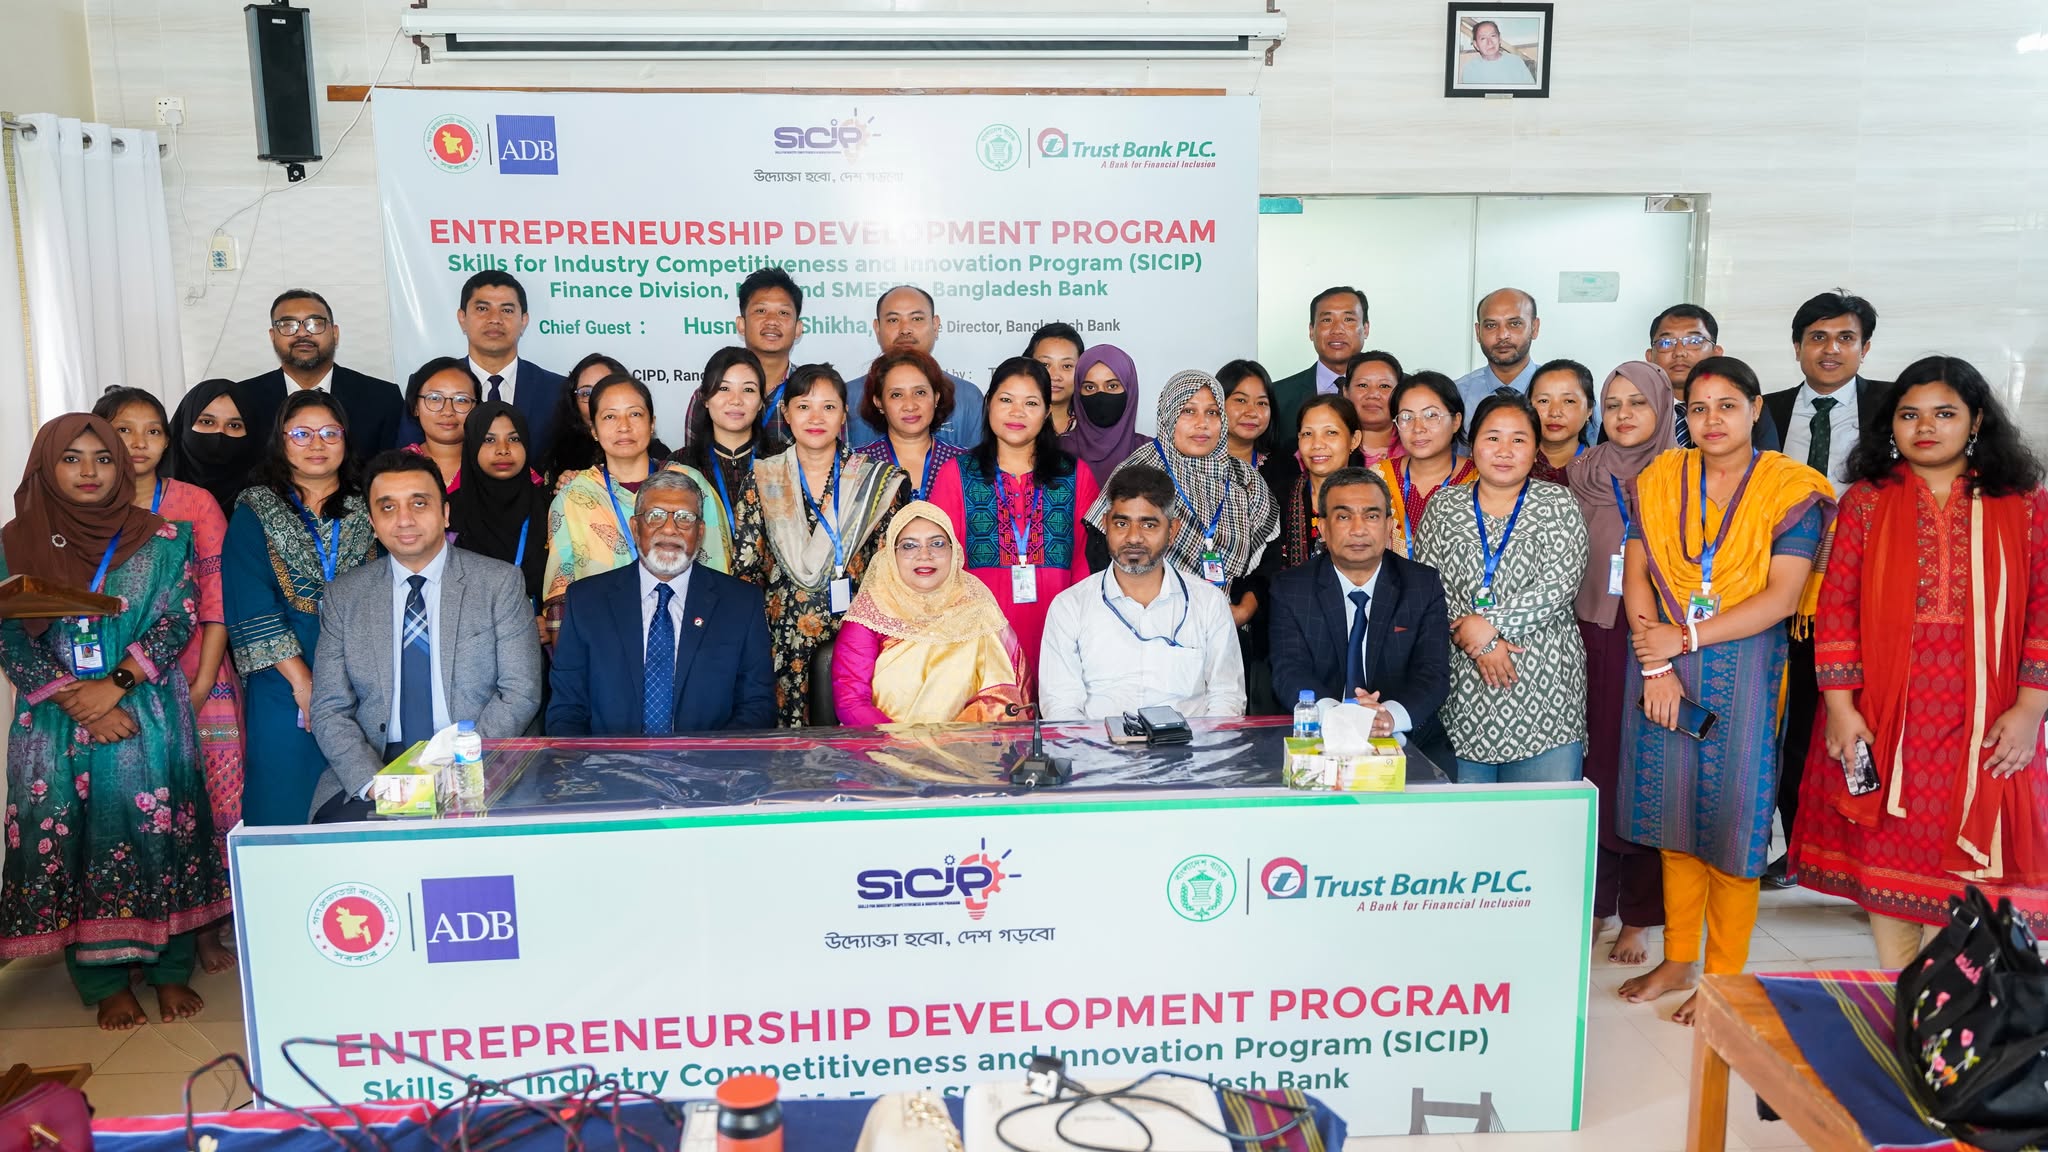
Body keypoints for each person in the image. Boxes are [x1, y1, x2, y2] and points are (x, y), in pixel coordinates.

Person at [1789, 357, 2048, 965]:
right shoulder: (1866, 503)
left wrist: (2031, 708)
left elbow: (2043, 607)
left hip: (1989, 717)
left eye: (1944, 414)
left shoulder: (2025, 505)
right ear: (1891, 426)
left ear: (1976, 421)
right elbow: (1837, 610)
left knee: (1968, 879)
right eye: (1909, 415)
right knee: (1886, 860)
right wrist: (1840, 709)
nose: (1925, 427)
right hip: (1883, 715)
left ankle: (1939, 1006)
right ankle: (1901, 998)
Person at [1614, 355, 1834, 1026]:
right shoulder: (1662, 477)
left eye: (1727, 406)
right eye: (1699, 408)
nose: (1712, 420)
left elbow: (1783, 597)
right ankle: (1679, 958)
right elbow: (1637, 573)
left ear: (1755, 408)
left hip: (1745, 671)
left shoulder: (1790, 489)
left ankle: (1724, 978)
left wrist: (1682, 640)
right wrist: (1656, 666)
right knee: (1672, 818)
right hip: (1661, 664)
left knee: (1734, 827)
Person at [0, 414, 230, 1029]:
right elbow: (10, 637)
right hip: (57, 722)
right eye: (71, 458)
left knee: (163, 830)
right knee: (72, 839)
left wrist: (115, 686)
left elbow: (178, 618)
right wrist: (76, 699)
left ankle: (169, 970)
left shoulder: (163, 537)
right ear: (45, 466)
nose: (89, 471)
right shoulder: (14, 543)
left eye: (103, 459)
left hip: (146, 709)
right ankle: (102, 983)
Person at [93, 388, 243, 974]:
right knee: (131, 802)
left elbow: (217, 598)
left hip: (199, 673)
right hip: (112, 682)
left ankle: (205, 927)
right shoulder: (81, 504)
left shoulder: (192, 501)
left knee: (212, 802)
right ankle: (132, 932)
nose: (139, 443)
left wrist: (203, 682)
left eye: (153, 430)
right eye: (123, 430)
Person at [308, 452, 544, 820]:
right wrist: (375, 784)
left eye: (419, 503)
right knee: (341, 835)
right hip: (379, 764)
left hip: (478, 761)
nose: (404, 519)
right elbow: (328, 709)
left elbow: (520, 692)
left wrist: (458, 768)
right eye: (388, 507)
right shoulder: (346, 596)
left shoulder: (499, 583)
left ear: (445, 513)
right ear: (372, 522)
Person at [1761, 290, 1883, 888]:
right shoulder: (1767, 411)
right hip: (1783, 597)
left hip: (1866, 598)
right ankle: (1799, 850)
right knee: (1792, 725)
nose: (1830, 349)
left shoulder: (1891, 409)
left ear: (1865, 347)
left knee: (1862, 721)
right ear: (1797, 347)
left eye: (1845, 338)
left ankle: (1869, 853)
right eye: (1817, 337)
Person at [222, 391, 378, 826]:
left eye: (330, 433)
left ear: (345, 439)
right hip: (283, 680)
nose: (317, 444)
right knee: (285, 797)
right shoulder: (256, 509)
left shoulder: (371, 503)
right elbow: (250, 602)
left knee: (362, 799)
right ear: (281, 440)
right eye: (302, 434)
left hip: (363, 674)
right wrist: (303, 683)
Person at [1566, 362, 1677, 965]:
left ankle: (1640, 916)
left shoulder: (1682, 476)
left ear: (1663, 407)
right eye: (1613, 404)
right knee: (1596, 769)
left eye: (1638, 402)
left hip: (1655, 641)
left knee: (1645, 774)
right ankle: (1595, 902)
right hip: (1587, 635)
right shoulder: (1580, 473)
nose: (1625, 414)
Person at [1418, 391, 1589, 783]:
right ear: (1472, 443)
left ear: (1536, 447)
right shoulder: (1443, 506)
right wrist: (1483, 643)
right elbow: (1429, 588)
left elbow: (1560, 583)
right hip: (1464, 692)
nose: (1505, 450)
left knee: (1543, 818)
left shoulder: (1559, 504)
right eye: (1493, 437)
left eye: (1519, 439)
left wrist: (1489, 625)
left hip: (1546, 693)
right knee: (1465, 818)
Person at [733, 364, 907, 726]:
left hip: (857, 638)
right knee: (787, 748)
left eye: (828, 407)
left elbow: (890, 570)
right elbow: (747, 572)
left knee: (851, 743)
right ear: (786, 413)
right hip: (779, 640)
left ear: (844, 414)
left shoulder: (874, 481)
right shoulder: (763, 478)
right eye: (803, 406)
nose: (816, 418)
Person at [549, 471, 775, 735]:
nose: (669, 529)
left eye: (684, 518)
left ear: (700, 532)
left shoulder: (741, 604)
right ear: (635, 528)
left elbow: (756, 706)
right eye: (655, 515)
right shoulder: (587, 601)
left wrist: (710, 757)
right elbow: (567, 709)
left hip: (709, 759)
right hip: (607, 760)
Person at [927, 357, 1097, 695]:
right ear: (989, 404)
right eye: (1006, 400)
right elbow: (940, 568)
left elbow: (1084, 566)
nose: (1017, 412)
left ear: (1047, 412)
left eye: (1031, 403)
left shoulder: (1075, 475)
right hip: (979, 639)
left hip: (1060, 638)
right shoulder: (956, 474)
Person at [1268, 466, 1454, 770]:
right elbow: (1289, 670)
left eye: (1371, 516)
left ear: (1388, 526)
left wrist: (1387, 716)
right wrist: (1341, 718)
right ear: (1323, 527)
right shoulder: (1291, 589)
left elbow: (1432, 673)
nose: (1358, 529)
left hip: (1407, 739)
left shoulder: (1421, 584)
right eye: (1343, 517)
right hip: (1319, 737)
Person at [1041, 465, 1246, 720]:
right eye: (1121, 523)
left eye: (1148, 525)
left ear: (1172, 531)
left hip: (1190, 745)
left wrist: (1200, 746)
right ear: (1105, 525)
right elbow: (1060, 708)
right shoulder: (1070, 606)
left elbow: (1227, 697)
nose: (1133, 538)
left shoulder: (1208, 602)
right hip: (1099, 745)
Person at [542, 374, 729, 649]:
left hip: (689, 638)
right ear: (593, 429)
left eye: (635, 414)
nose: (624, 426)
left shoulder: (689, 485)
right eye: (610, 417)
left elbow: (718, 573)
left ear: (652, 423)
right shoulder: (574, 496)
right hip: (603, 643)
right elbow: (561, 596)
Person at [1087, 371, 1280, 627]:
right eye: (1188, 411)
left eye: (1212, 412)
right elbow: (1103, 551)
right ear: (1169, 414)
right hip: (1146, 626)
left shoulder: (1245, 479)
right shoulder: (1138, 473)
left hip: (1226, 624)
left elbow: (1269, 559)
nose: (1202, 424)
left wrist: (1244, 609)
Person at [833, 503, 1032, 725]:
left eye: (937, 544)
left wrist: (955, 742)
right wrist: (899, 742)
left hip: (971, 743)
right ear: (891, 554)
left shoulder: (979, 609)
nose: (924, 555)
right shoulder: (870, 612)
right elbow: (851, 703)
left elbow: (1006, 696)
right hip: (886, 743)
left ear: (953, 551)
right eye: (909, 546)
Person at [401, 271, 565, 458]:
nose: (495, 319)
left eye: (507, 310)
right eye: (482, 309)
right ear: (462, 318)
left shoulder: (556, 389)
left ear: (524, 321)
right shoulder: (427, 385)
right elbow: (407, 459)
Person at [238, 290, 403, 461]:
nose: (302, 333)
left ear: (335, 333)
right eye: (288, 325)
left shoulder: (382, 398)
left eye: (315, 324)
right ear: (273, 336)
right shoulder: (242, 399)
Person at [846, 286, 985, 450]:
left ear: (935, 325)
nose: (905, 330)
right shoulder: (846, 396)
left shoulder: (968, 397)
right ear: (877, 328)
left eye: (917, 319)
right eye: (893, 320)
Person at [448, 400, 552, 609]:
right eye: (488, 440)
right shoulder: (449, 512)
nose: (503, 449)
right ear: (472, 446)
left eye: (514, 439)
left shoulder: (550, 506)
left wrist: (547, 620)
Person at [675, 346, 778, 545]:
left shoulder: (783, 460)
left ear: (760, 402)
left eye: (748, 389)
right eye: (724, 388)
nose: (736, 400)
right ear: (705, 398)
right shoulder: (681, 465)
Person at [1261, 394, 1366, 570]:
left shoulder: (1373, 498)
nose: (1317, 444)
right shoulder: (1275, 499)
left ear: (1354, 440)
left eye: (1330, 432)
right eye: (1307, 434)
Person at [539, 353, 673, 488]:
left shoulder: (663, 460)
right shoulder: (559, 456)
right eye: (586, 393)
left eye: (605, 387)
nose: (596, 398)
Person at [1379, 371, 1476, 558]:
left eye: (1431, 415)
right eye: (1406, 417)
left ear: (1456, 421)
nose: (1418, 428)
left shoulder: (1478, 480)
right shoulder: (1379, 477)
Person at [852, 348, 966, 501]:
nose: (910, 406)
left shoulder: (965, 462)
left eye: (920, 392)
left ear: (936, 397)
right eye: (896, 395)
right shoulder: (858, 465)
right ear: (879, 402)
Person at [1271, 287, 1369, 448]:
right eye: (1327, 320)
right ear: (1311, 331)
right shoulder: (1277, 397)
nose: (1337, 330)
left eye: (1348, 319)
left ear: (1365, 329)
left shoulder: (1399, 390)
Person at [162, 378, 262, 516]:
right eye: (207, 422)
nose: (219, 433)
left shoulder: (267, 498)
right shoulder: (146, 490)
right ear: (184, 424)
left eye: (234, 425)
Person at [1064, 343, 1148, 484]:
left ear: (1130, 390)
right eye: (1090, 387)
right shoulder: (1057, 450)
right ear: (1078, 392)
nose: (1101, 396)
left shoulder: (1151, 453)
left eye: (1112, 386)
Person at [1454, 288, 1541, 416]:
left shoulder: (1562, 392)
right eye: (1491, 325)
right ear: (1478, 332)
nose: (1502, 335)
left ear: (1534, 328)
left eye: (1515, 324)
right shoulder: (1457, 395)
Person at [399, 356, 479, 491]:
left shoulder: (492, 463)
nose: (448, 411)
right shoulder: (395, 468)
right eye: (435, 398)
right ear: (415, 407)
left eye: (461, 400)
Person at [1529, 358, 1595, 482]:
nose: (1554, 413)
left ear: (1589, 409)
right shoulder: (1511, 461)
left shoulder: (1601, 467)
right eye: (1544, 401)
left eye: (1569, 401)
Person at [1342, 351, 1404, 467]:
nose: (1373, 394)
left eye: (1384, 386)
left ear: (1400, 394)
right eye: (1362, 385)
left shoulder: (1417, 446)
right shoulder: (1328, 448)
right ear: (1346, 392)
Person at [1027, 322, 1086, 437]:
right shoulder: (1015, 420)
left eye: (1067, 366)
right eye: (1045, 365)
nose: (1055, 376)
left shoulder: (1092, 424)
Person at [1220, 360, 1278, 471]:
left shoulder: (1285, 468)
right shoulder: (1195, 465)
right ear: (1218, 403)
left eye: (1261, 403)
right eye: (1241, 400)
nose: (1252, 413)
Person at [1460, 19, 1536, 84]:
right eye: (1483, 38)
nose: (1489, 42)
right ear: (1476, 45)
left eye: (1493, 36)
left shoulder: (1516, 62)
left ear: (1499, 39)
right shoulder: (1470, 69)